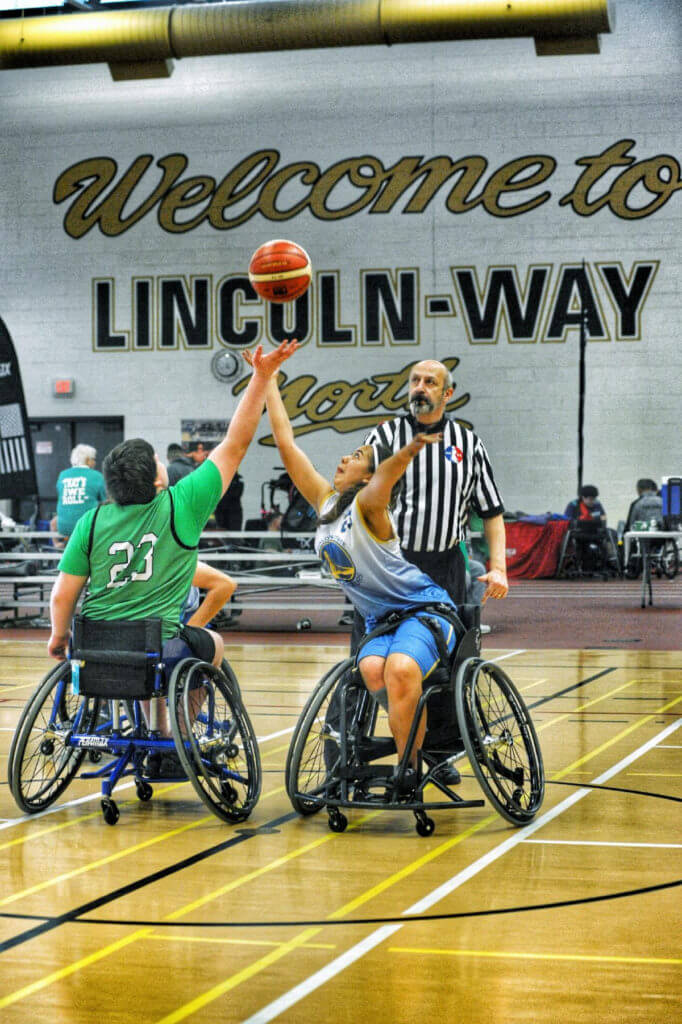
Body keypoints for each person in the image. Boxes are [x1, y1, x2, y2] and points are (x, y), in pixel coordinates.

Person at [251, 346, 463, 789]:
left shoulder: (370, 506)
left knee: (401, 670)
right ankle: (413, 743)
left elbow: (386, 477)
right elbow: (287, 443)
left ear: (367, 477)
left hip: (424, 610)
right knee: (372, 672)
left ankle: (408, 767)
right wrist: (266, 377)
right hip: (379, 620)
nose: (344, 459)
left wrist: (410, 449)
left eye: (355, 457)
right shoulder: (327, 502)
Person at [47, 340, 297, 677]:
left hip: (96, 647)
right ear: (154, 481)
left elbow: (63, 597)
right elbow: (236, 443)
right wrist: (260, 378)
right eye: (156, 460)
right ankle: (186, 726)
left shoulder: (89, 523)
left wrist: (58, 636)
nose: (161, 461)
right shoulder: (181, 504)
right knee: (214, 644)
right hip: (157, 649)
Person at [362, 358, 508, 623]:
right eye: (415, 381)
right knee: (378, 649)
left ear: (447, 394)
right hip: (392, 563)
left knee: (445, 646)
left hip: (446, 565)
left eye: (430, 382)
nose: (420, 387)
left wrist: (499, 568)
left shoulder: (469, 443)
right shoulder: (384, 437)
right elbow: (356, 496)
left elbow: (492, 512)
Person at [53, 444, 106, 543]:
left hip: (63, 528)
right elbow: (106, 501)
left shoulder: (62, 475)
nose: (94, 462)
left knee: (54, 521)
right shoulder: (97, 476)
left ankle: (57, 544)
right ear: (87, 460)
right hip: (88, 527)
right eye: (93, 459)